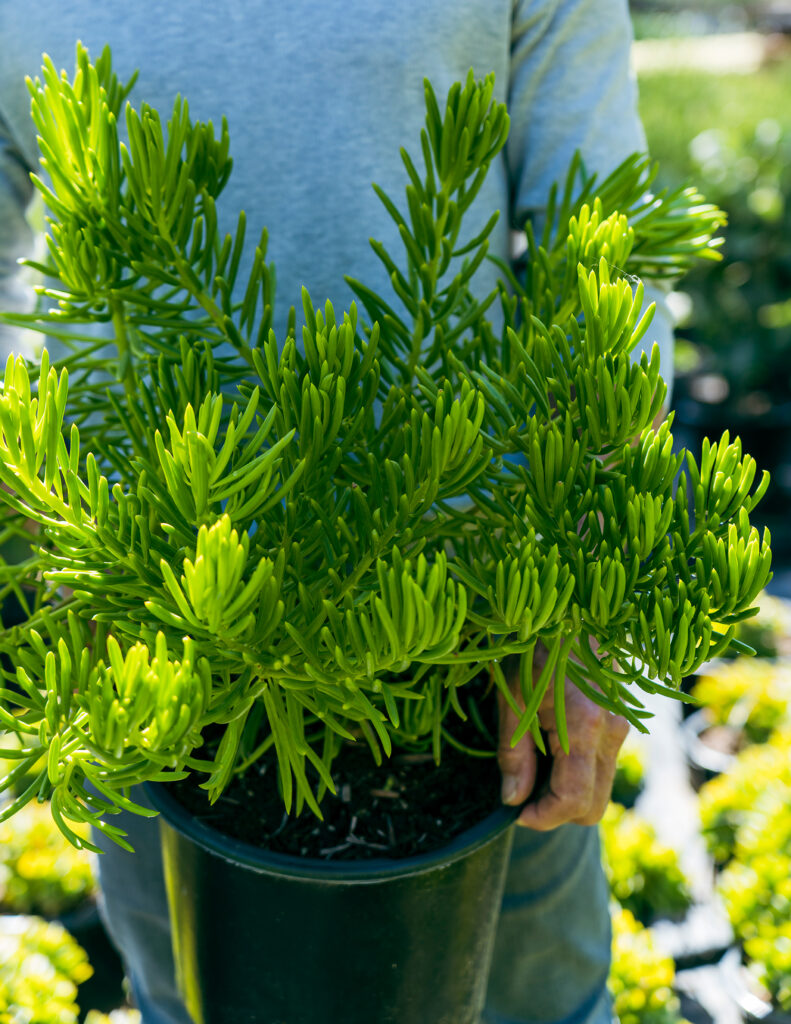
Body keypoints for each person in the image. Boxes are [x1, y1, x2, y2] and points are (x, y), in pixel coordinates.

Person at [0, 3, 672, 1022]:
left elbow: (602, 242)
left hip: (476, 635)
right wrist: (47, 518)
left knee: (531, 1002)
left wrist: (592, 584)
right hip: (143, 629)